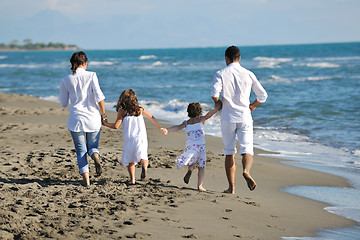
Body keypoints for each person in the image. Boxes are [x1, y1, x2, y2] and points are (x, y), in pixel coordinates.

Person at [211, 46, 268, 194]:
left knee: (229, 152)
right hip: (244, 116)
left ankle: (231, 188)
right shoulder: (248, 74)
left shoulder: (221, 73)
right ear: (240, 58)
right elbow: (263, 96)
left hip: (228, 117)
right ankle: (246, 171)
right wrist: (253, 106)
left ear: (226, 58)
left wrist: (218, 103)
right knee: (247, 149)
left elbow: (214, 93)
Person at [59, 51, 106, 187]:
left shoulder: (65, 80)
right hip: (93, 118)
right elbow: (99, 97)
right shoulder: (92, 75)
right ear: (85, 63)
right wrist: (103, 114)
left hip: (76, 119)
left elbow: (63, 103)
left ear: (73, 64)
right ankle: (96, 157)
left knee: (81, 151)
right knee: (93, 147)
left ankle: (87, 181)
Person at [102, 89, 164, 185]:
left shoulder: (122, 111)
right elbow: (152, 117)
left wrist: (105, 124)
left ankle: (132, 180)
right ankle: (144, 167)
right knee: (143, 155)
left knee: (130, 160)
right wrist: (160, 128)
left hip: (130, 139)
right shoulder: (140, 109)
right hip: (141, 137)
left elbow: (116, 126)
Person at [162, 102, 222, 191]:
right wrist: (217, 109)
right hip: (201, 146)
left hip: (190, 146)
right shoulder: (201, 119)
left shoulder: (186, 122)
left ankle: (190, 170)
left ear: (188, 112)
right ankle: (200, 186)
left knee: (191, 161)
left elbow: (177, 127)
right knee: (201, 166)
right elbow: (209, 115)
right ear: (199, 112)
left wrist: (167, 130)